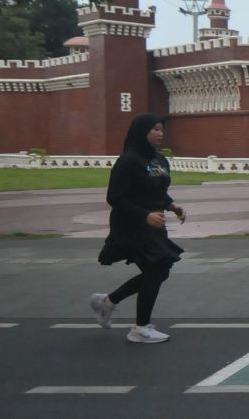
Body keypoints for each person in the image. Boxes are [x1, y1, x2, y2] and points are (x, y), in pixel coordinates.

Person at [90, 113, 187, 343]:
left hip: (154, 224)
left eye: (162, 129)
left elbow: (157, 191)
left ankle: (107, 303)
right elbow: (114, 197)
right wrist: (144, 216)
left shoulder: (159, 160)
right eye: (155, 129)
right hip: (131, 225)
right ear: (141, 132)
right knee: (157, 269)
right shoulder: (128, 160)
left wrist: (172, 205)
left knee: (159, 271)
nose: (160, 133)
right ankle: (140, 328)